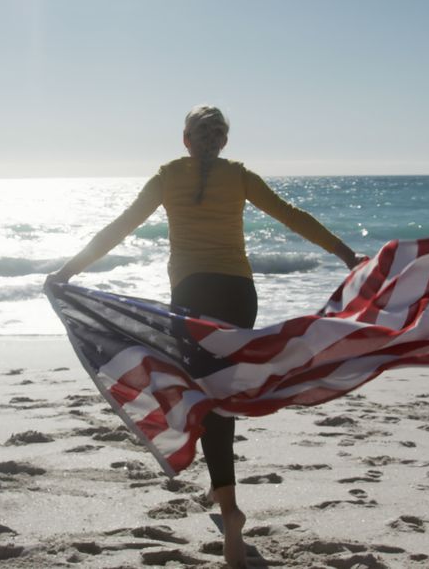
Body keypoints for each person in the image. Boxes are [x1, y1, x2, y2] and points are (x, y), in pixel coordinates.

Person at [46, 105, 363, 568]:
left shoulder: (166, 176)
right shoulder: (239, 176)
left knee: (208, 398)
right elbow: (292, 216)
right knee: (223, 397)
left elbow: (120, 227)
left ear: (185, 140)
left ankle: (230, 508)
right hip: (239, 294)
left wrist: (69, 271)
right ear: (223, 141)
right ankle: (222, 491)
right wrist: (346, 254)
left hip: (192, 297)